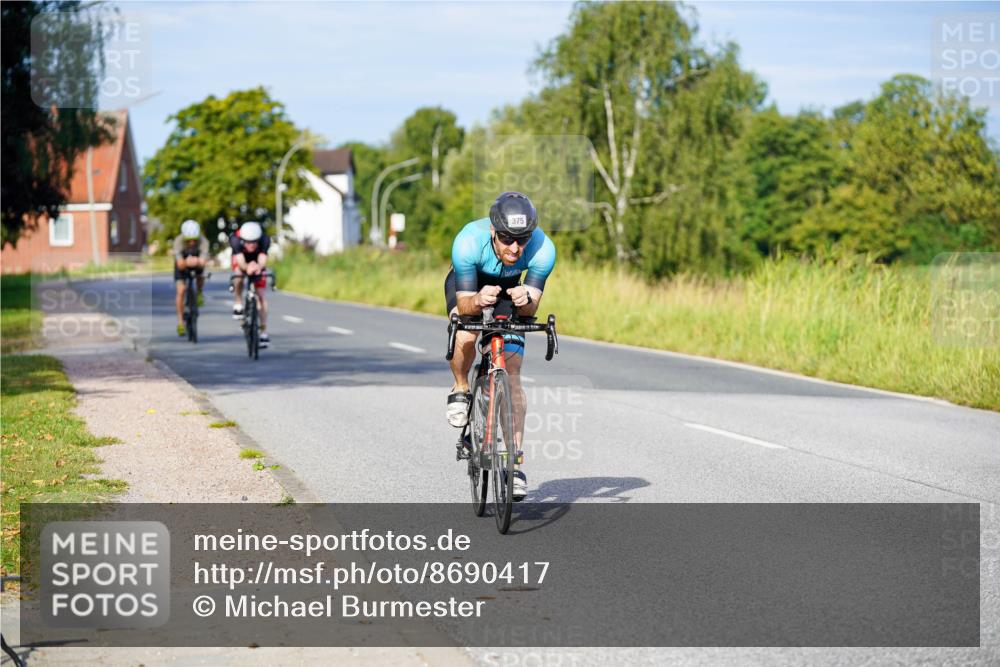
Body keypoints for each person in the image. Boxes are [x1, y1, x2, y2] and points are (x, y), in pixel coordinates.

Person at [445, 191, 556, 501]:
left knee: (514, 370)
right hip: (470, 284)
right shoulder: (468, 241)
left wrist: (525, 301)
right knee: (465, 333)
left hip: (511, 289)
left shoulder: (543, 249)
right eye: (507, 239)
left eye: (522, 240)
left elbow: (530, 310)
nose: (515, 247)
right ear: (493, 231)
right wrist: (478, 300)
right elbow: (466, 303)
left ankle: (514, 463)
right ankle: (460, 386)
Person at [229, 221, 271, 348]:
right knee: (238, 275)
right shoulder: (235, 240)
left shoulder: (264, 240)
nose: (251, 245)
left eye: (254, 242)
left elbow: (263, 260)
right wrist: (247, 268)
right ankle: (238, 303)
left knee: (261, 295)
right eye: (248, 242)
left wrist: (258, 267)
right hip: (242, 260)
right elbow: (241, 262)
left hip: (256, 260)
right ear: (242, 240)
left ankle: (263, 332)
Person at [173, 219, 209, 337]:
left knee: (201, 275)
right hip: (182, 264)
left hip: (196, 261)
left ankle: (199, 292)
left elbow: (203, 261)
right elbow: (179, 264)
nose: (192, 243)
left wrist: (197, 261)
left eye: (195, 240)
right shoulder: (178, 241)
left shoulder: (203, 241)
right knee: (181, 290)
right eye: (189, 241)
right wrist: (186, 262)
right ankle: (180, 322)